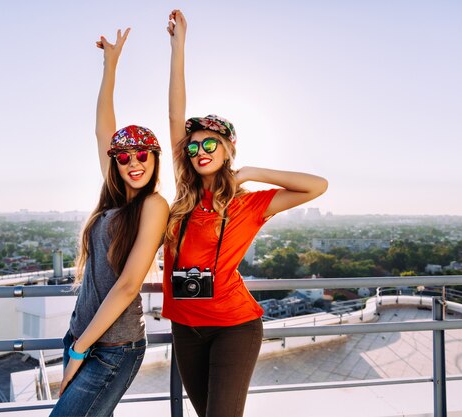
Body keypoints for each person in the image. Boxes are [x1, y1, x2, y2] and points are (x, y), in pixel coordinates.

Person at [164, 10, 329, 417]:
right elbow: (174, 115)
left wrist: (252, 173)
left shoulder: (249, 204)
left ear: (227, 151)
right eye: (194, 145)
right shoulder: (184, 195)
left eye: (211, 145)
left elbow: (317, 185)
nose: (200, 152)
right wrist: (178, 46)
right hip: (185, 327)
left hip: (234, 325)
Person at [50, 27, 169, 417]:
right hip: (83, 335)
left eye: (142, 156)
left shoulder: (153, 205)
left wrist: (81, 349)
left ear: (154, 160)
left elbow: (128, 285)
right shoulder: (115, 199)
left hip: (113, 347)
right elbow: (103, 128)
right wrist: (111, 64)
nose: (133, 164)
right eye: (124, 158)